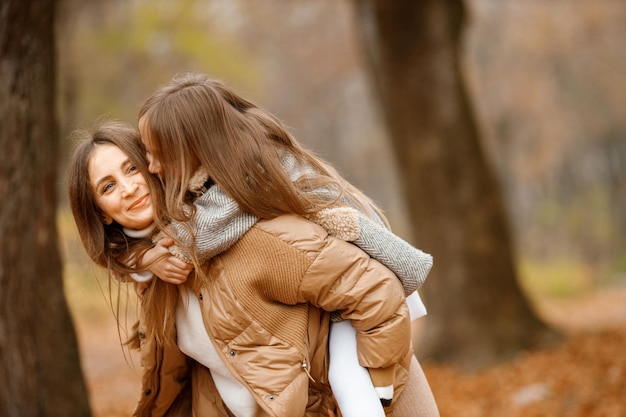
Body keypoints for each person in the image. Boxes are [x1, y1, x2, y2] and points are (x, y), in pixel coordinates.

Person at [67, 122, 423, 417]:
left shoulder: (238, 236)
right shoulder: (156, 277)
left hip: (371, 389)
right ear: (102, 212)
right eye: (109, 186)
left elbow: (376, 289)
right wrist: (140, 259)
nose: (129, 189)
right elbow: (211, 371)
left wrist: (366, 392)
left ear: (154, 165)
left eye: (132, 168)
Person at [136, 72, 439, 417]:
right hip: (349, 304)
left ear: (192, 148)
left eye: (158, 154)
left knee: (350, 381)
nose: (152, 167)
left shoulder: (252, 188)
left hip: (360, 313)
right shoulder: (234, 180)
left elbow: (202, 234)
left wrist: (160, 251)